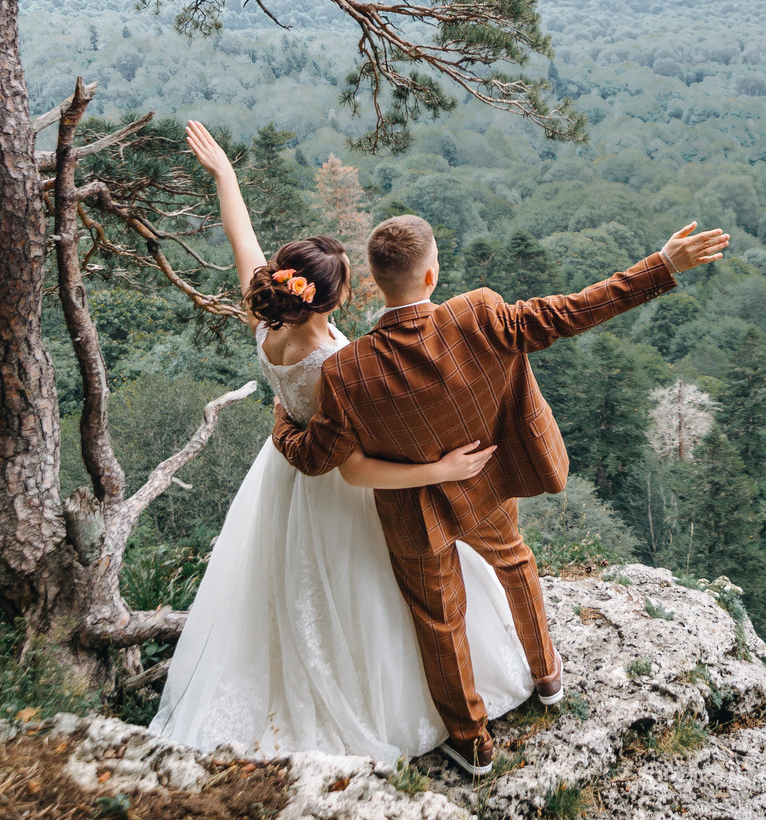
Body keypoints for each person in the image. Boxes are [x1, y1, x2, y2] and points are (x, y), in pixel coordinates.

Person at [272, 208, 730, 775]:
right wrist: (660, 265)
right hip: (486, 483)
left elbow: (318, 458)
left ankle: (472, 742)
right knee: (514, 563)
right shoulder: (479, 314)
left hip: (414, 513)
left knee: (440, 620)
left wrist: (283, 419)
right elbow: (573, 311)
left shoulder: (347, 371)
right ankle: (547, 675)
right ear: (432, 275)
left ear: (374, 280)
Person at [148, 121, 531, 765]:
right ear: (334, 301)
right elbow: (355, 471)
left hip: (282, 480)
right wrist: (441, 467)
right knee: (372, 592)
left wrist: (226, 175)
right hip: (339, 489)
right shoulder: (336, 365)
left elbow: (242, 239)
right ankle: (395, 704)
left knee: (295, 593)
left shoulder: (265, 315)